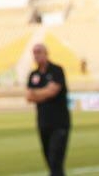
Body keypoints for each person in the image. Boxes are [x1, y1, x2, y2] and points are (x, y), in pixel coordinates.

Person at [27, 43, 71, 176]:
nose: (36, 55)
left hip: (59, 123)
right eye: (34, 53)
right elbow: (29, 96)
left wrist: (37, 93)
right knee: (50, 162)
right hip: (43, 123)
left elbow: (53, 91)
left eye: (39, 52)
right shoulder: (33, 74)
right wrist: (45, 92)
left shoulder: (56, 70)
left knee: (55, 160)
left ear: (46, 53)